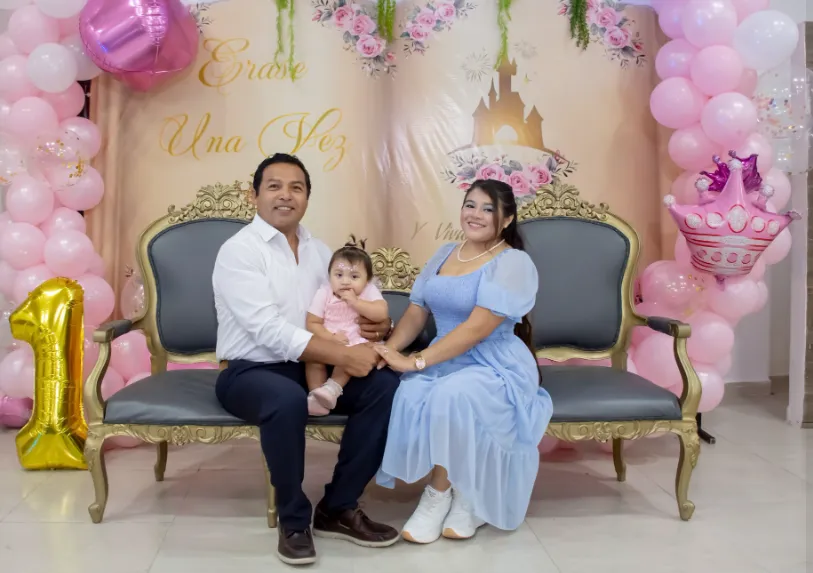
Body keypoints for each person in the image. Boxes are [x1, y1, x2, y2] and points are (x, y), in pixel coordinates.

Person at [213, 154, 400, 566]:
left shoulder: (321, 252)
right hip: (250, 370)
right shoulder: (238, 251)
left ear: (307, 198)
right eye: (274, 186)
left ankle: (339, 506)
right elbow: (267, 330)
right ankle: (294, 520)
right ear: (254, 195)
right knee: (285, 400)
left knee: (385, 387)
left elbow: (352, 303)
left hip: (313, 365)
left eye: (296, 187)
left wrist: (378, 327)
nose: (286, 195)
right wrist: (346, 355)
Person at [374, 179, 553, 544]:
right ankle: (463, 491)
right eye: (470, 205)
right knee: (411, 393)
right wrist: (388, 351)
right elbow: (417, 312)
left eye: (488, 209)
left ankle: (440, 495)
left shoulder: (513, 262)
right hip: (445, 356)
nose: (476, 215)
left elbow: (476, 329)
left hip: (494, 362)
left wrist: (417, 361)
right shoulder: (444, 253)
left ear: (507, 219)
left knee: (452, 394)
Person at [305, 239, 389, 416]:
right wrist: (330, 338)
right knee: (313, 360)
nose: (345, 281)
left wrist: (356, 302)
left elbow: (381, 313)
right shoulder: (325, 292)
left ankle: (332, 388)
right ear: (329, 276)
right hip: (329, 339)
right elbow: (312, 323)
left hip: (357, 341)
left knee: (350, 359)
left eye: (354, 277)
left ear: (367, 280)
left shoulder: (368, 291)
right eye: (338, 275)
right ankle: (316, 396)